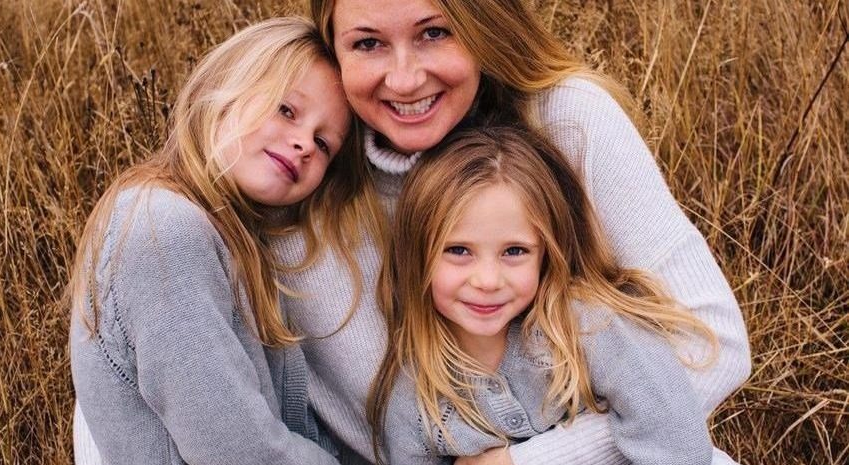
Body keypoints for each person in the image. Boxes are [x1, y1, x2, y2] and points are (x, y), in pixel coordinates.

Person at [266, 0, 750, 463]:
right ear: (333, 48)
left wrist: (529, 461)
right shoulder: (298, 176)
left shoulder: (565, 119)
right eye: (368, 44)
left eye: (434, 32)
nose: (405, 78)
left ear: (482, 24)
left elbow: (717, 348)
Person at [69, 17, 372, 464]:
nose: (305, 144)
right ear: (225, 89)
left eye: (324, 144)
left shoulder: (225, 233)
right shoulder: (166, 231)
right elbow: (238, 452)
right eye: (286, 110)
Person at [371, 126, 735, 465]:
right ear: (417, 257)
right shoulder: (414, 404)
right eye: (458, 250)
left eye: (514, 251)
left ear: (546, 254)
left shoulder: (590, 325)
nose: (486, 280)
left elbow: (674, 437)